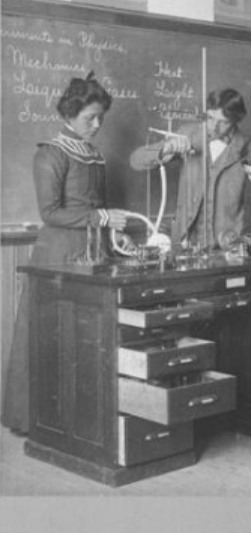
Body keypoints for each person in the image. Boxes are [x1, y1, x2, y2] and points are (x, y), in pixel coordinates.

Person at [2, 73, 129, 435]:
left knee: (88, 337)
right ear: (70, 113)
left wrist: (114, 234)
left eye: (101, 116)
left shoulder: (94, 154)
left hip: (93, 253)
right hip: (56, 256)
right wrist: (101, 217)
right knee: (50, 337)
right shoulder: (50, 153)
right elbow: (51, 213)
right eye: (91, 117)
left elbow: (99, 209)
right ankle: (33, 421)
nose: (98, 124)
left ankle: (80, 424)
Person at [130, 88, 250, 249]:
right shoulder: (189, 135)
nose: (214, 127)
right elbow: (136, 160)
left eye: (224, 122)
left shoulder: (247, 149)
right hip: (184, 245)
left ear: (236, 120)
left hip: (228, 248)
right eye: (210, 118)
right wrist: (166, 149)